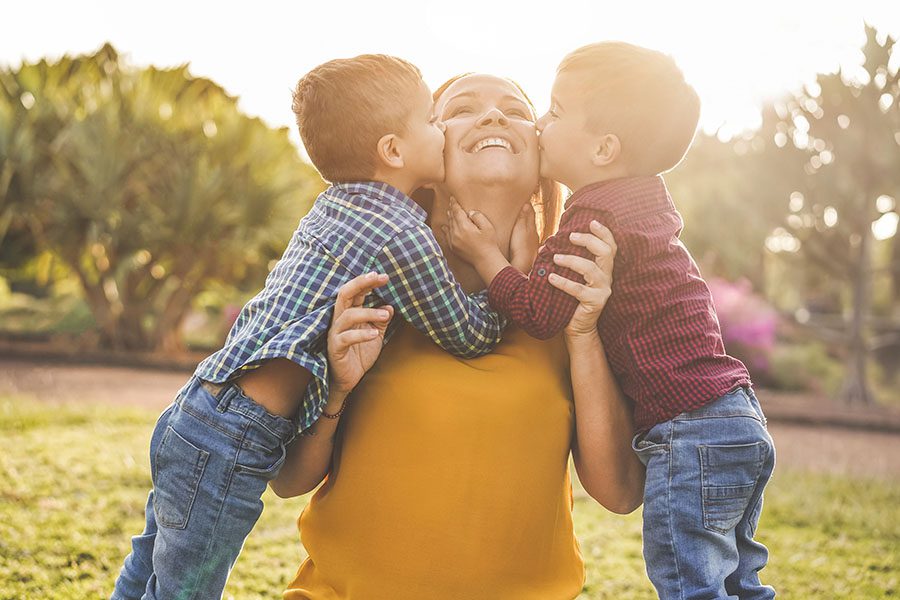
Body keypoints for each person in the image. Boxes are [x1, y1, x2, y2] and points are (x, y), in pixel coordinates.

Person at [112, 54, 506, 600]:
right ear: (393, 150)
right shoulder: (400, 233)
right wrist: (498, 264)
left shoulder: (334, 205)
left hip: (196, 412)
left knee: (144, 575)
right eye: (431, 120)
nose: (442, 131)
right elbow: (471, 333)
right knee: (182, 592)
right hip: (234, 435)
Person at [276, 73, 645, 600]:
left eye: (516, 110)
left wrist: (582, 334)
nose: (493, 117)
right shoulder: (373, 282)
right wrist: (334, 388)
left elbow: (620, 493)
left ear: (543, 157)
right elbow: (288, 481)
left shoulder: (573, 297)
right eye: (461, 108)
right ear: (420, 149)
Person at [447, 42, 776, 599]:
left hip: (688, 427)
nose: (543, 126)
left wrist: (490, 259)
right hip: (736, 417)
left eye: (552, 113)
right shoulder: (646, 199)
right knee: (740, 582)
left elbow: (540, 314)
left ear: (603, 148)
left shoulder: (592, 214)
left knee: (688, 583)